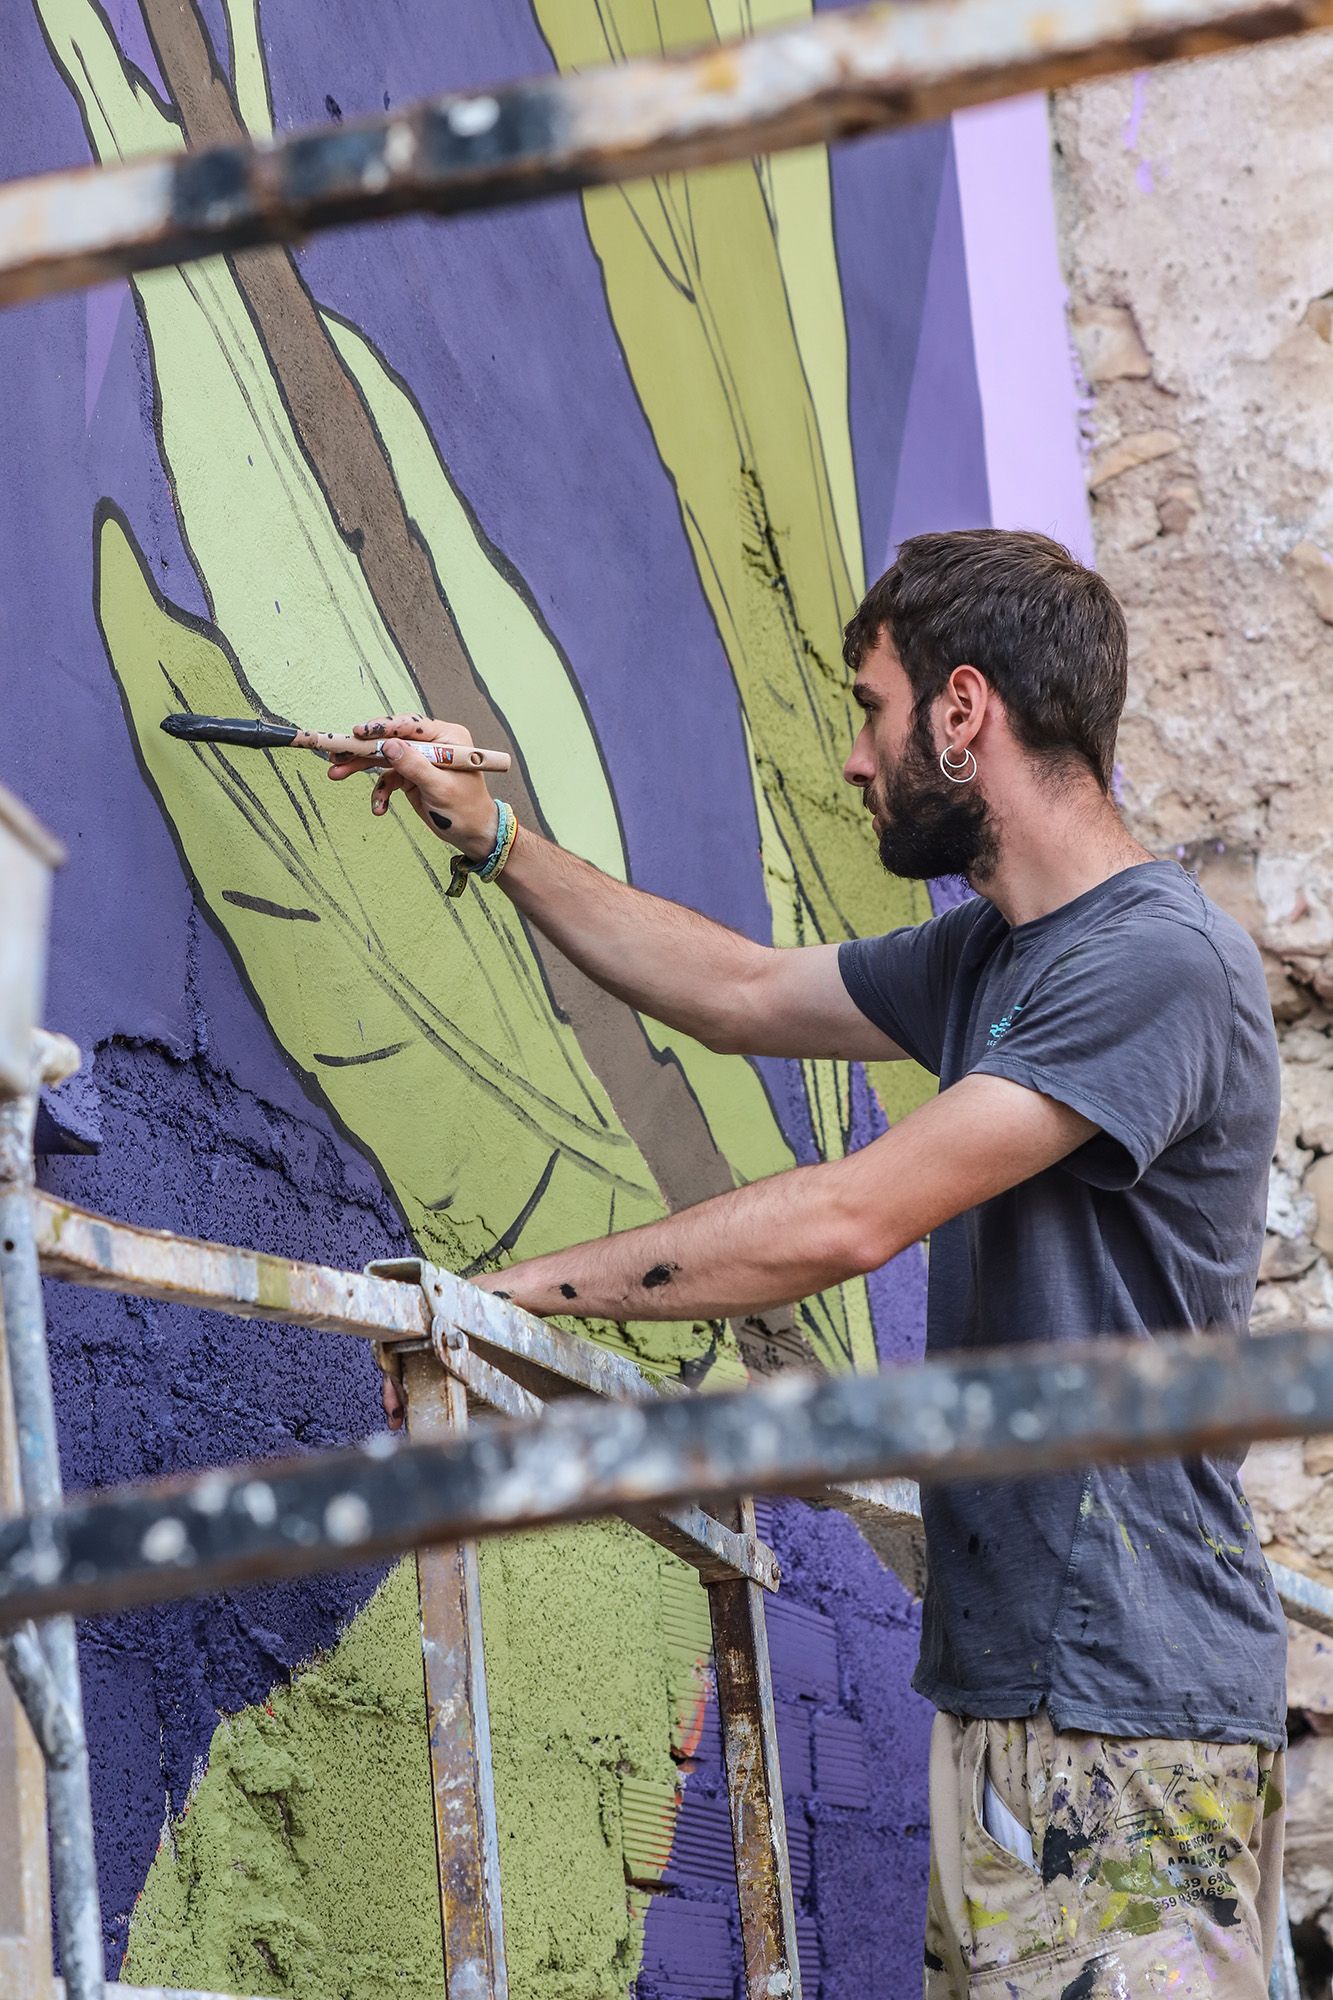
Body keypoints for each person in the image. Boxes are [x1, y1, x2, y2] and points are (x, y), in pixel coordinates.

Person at [330, 529, 1285, 1998]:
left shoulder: (1151, 959)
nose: (854, 759)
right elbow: (735, 992)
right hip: (1012, 1694)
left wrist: (507, 1302)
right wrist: (490, 836)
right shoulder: (990, 959)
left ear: (963, 713)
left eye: (872, 707)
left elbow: (851, 1219)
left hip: (1134, 1718)